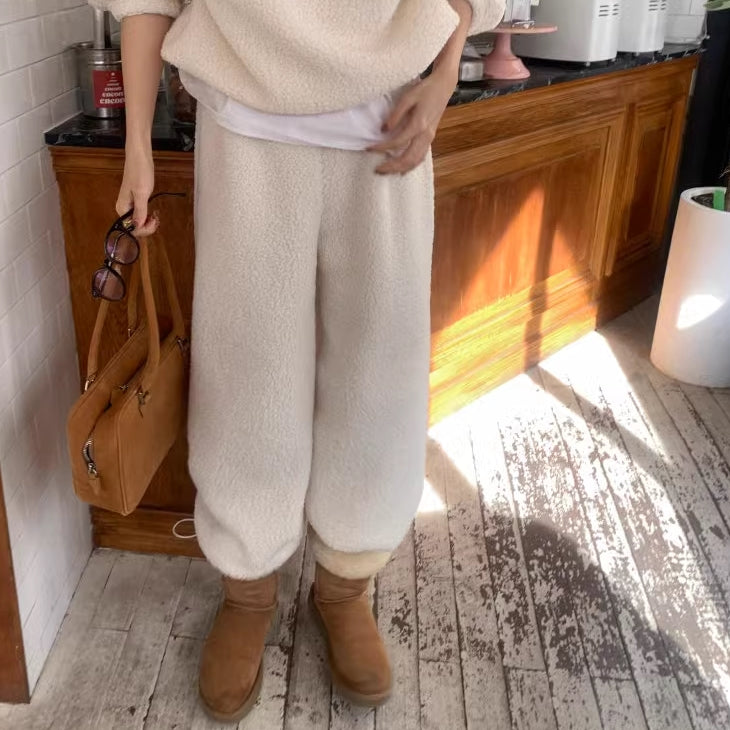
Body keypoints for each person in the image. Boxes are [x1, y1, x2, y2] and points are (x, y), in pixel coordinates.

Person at [90, 0, 505, 722]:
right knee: (245, 376)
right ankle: (247, 586)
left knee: (380, 375)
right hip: (247, 124)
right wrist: (138, 144)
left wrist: (444, 76)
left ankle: (347, 581)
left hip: (389, 122)